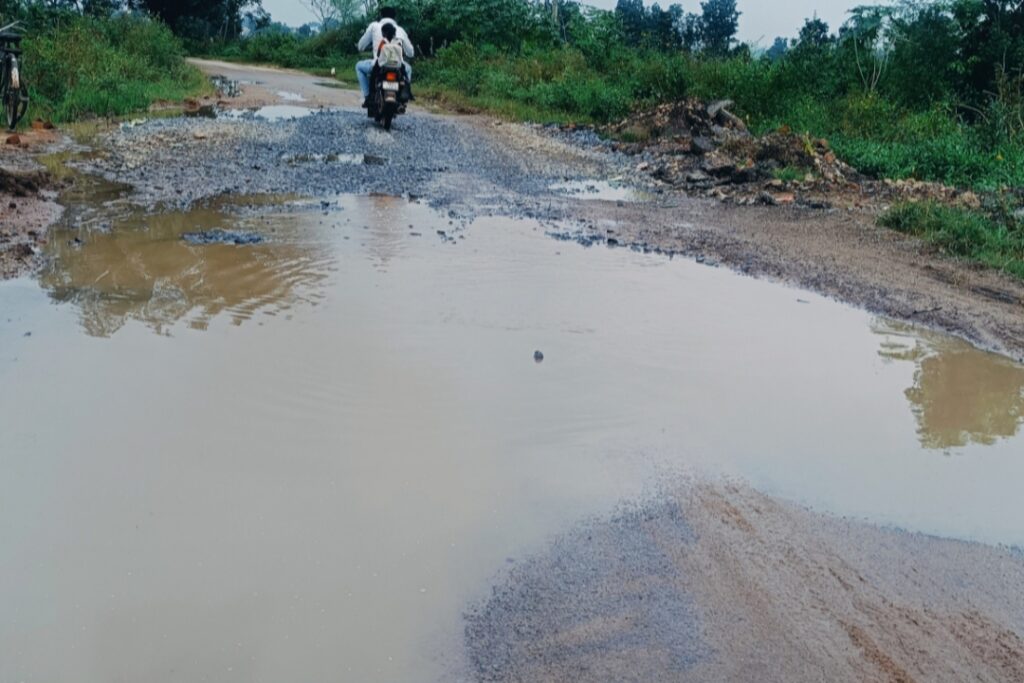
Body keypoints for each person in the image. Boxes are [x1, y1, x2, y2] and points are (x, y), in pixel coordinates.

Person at [356, 7, 414, 109]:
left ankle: (368, 96)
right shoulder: (400, 30)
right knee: (407, 70)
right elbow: (411, 53)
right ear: (395, 17)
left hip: (380, 64)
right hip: (398, 65)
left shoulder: (374, 26)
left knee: (359, 67)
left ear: (381, 15)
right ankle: (404, 94)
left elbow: (361, 47)